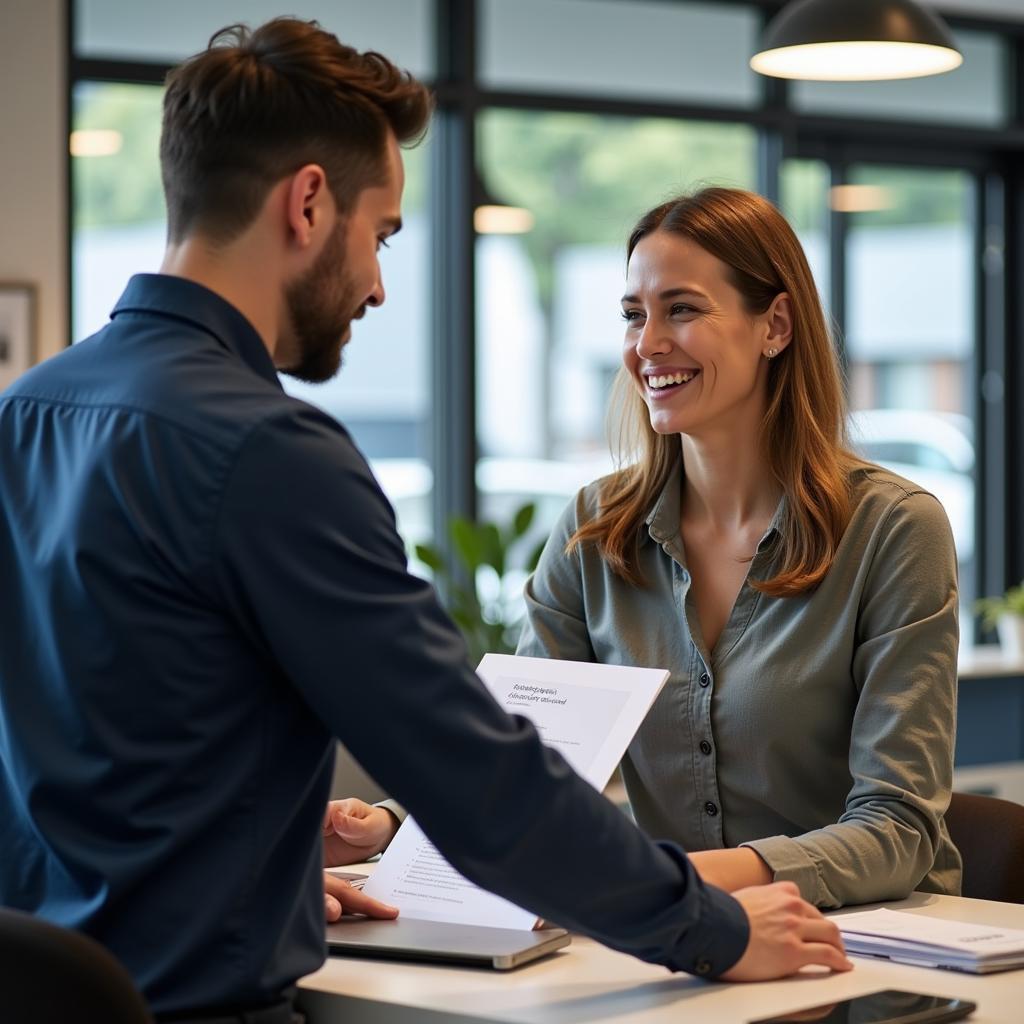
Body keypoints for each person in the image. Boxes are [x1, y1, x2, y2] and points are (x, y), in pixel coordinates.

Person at [0, 20, 850, 1024]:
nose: (378, 284)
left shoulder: (29, 411)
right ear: (308, 204)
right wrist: (713, 928)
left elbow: (75, 741)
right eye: (383, 234)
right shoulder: (268, 451)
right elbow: (475, 774)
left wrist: (239, 875)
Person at [515, 187, 962, 909]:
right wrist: (386, 824)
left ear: (775, 325)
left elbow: (898, 827)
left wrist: (668, 881)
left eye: (682, 309)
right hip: (687, 942)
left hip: (879, 952)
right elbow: (519, 766)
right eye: (634, 314)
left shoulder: (893, 529)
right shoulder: (593, 530)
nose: (646, 344)